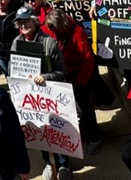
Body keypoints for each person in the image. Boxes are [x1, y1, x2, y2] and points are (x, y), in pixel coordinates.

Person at [10, 6, 68, 180]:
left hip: (51, 97)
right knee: (39, 131)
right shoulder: (16, 43)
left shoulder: (49, 43)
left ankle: (64, 164)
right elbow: (12, 69)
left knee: (57, 130)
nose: (23, 25)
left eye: (27, 21)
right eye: (20, 22)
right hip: (30, 99)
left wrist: (45, 77)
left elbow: (62, 71)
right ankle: (48, 162)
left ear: (35, 22)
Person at [42, 9, 101, 155]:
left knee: (85, 108)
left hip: (78, 75)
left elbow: (87, 59)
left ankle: (95, 137)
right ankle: (83, 133)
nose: (53, 32)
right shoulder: (53, 30)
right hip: (62, 74)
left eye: (55, 29)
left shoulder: (77, 33)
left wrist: (81, 81)